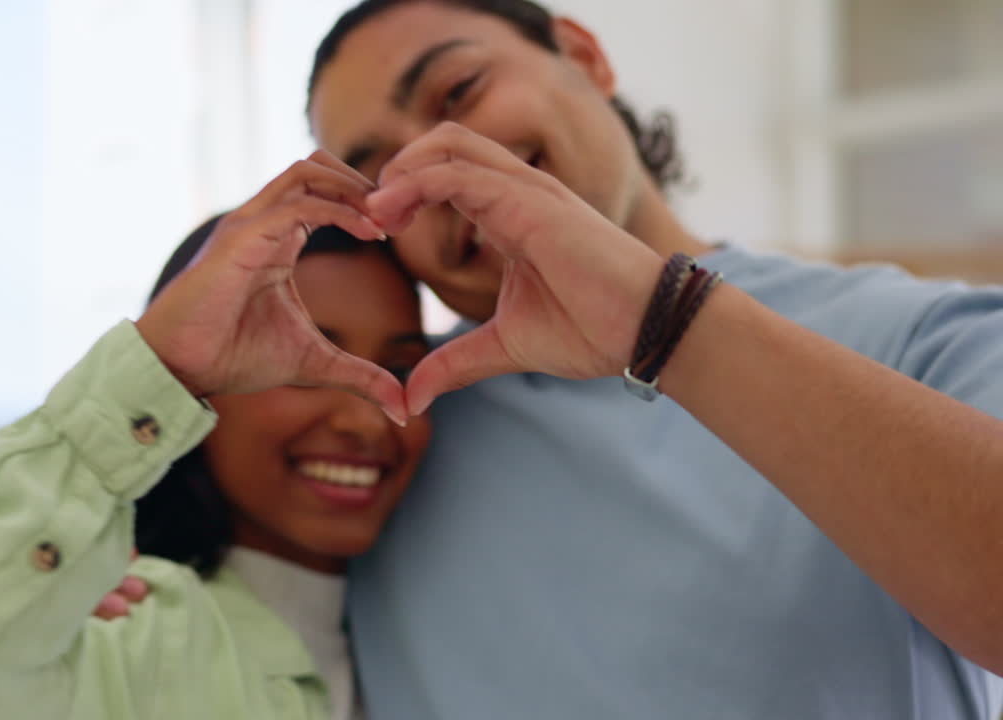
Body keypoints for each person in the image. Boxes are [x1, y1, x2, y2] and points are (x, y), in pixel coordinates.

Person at [297, 1, 1003, 718]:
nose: (434, 175)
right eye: (383, 178)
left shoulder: (919, 335)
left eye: (459, 93)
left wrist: (661, 318)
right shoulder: (378, 436)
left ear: (583, 56)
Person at [0, 154, 433, 720]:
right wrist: (157, 366)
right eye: (302, 368)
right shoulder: (113, 628)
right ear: (198, 388)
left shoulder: (435, 639)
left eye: (400, 368)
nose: (363, 418)